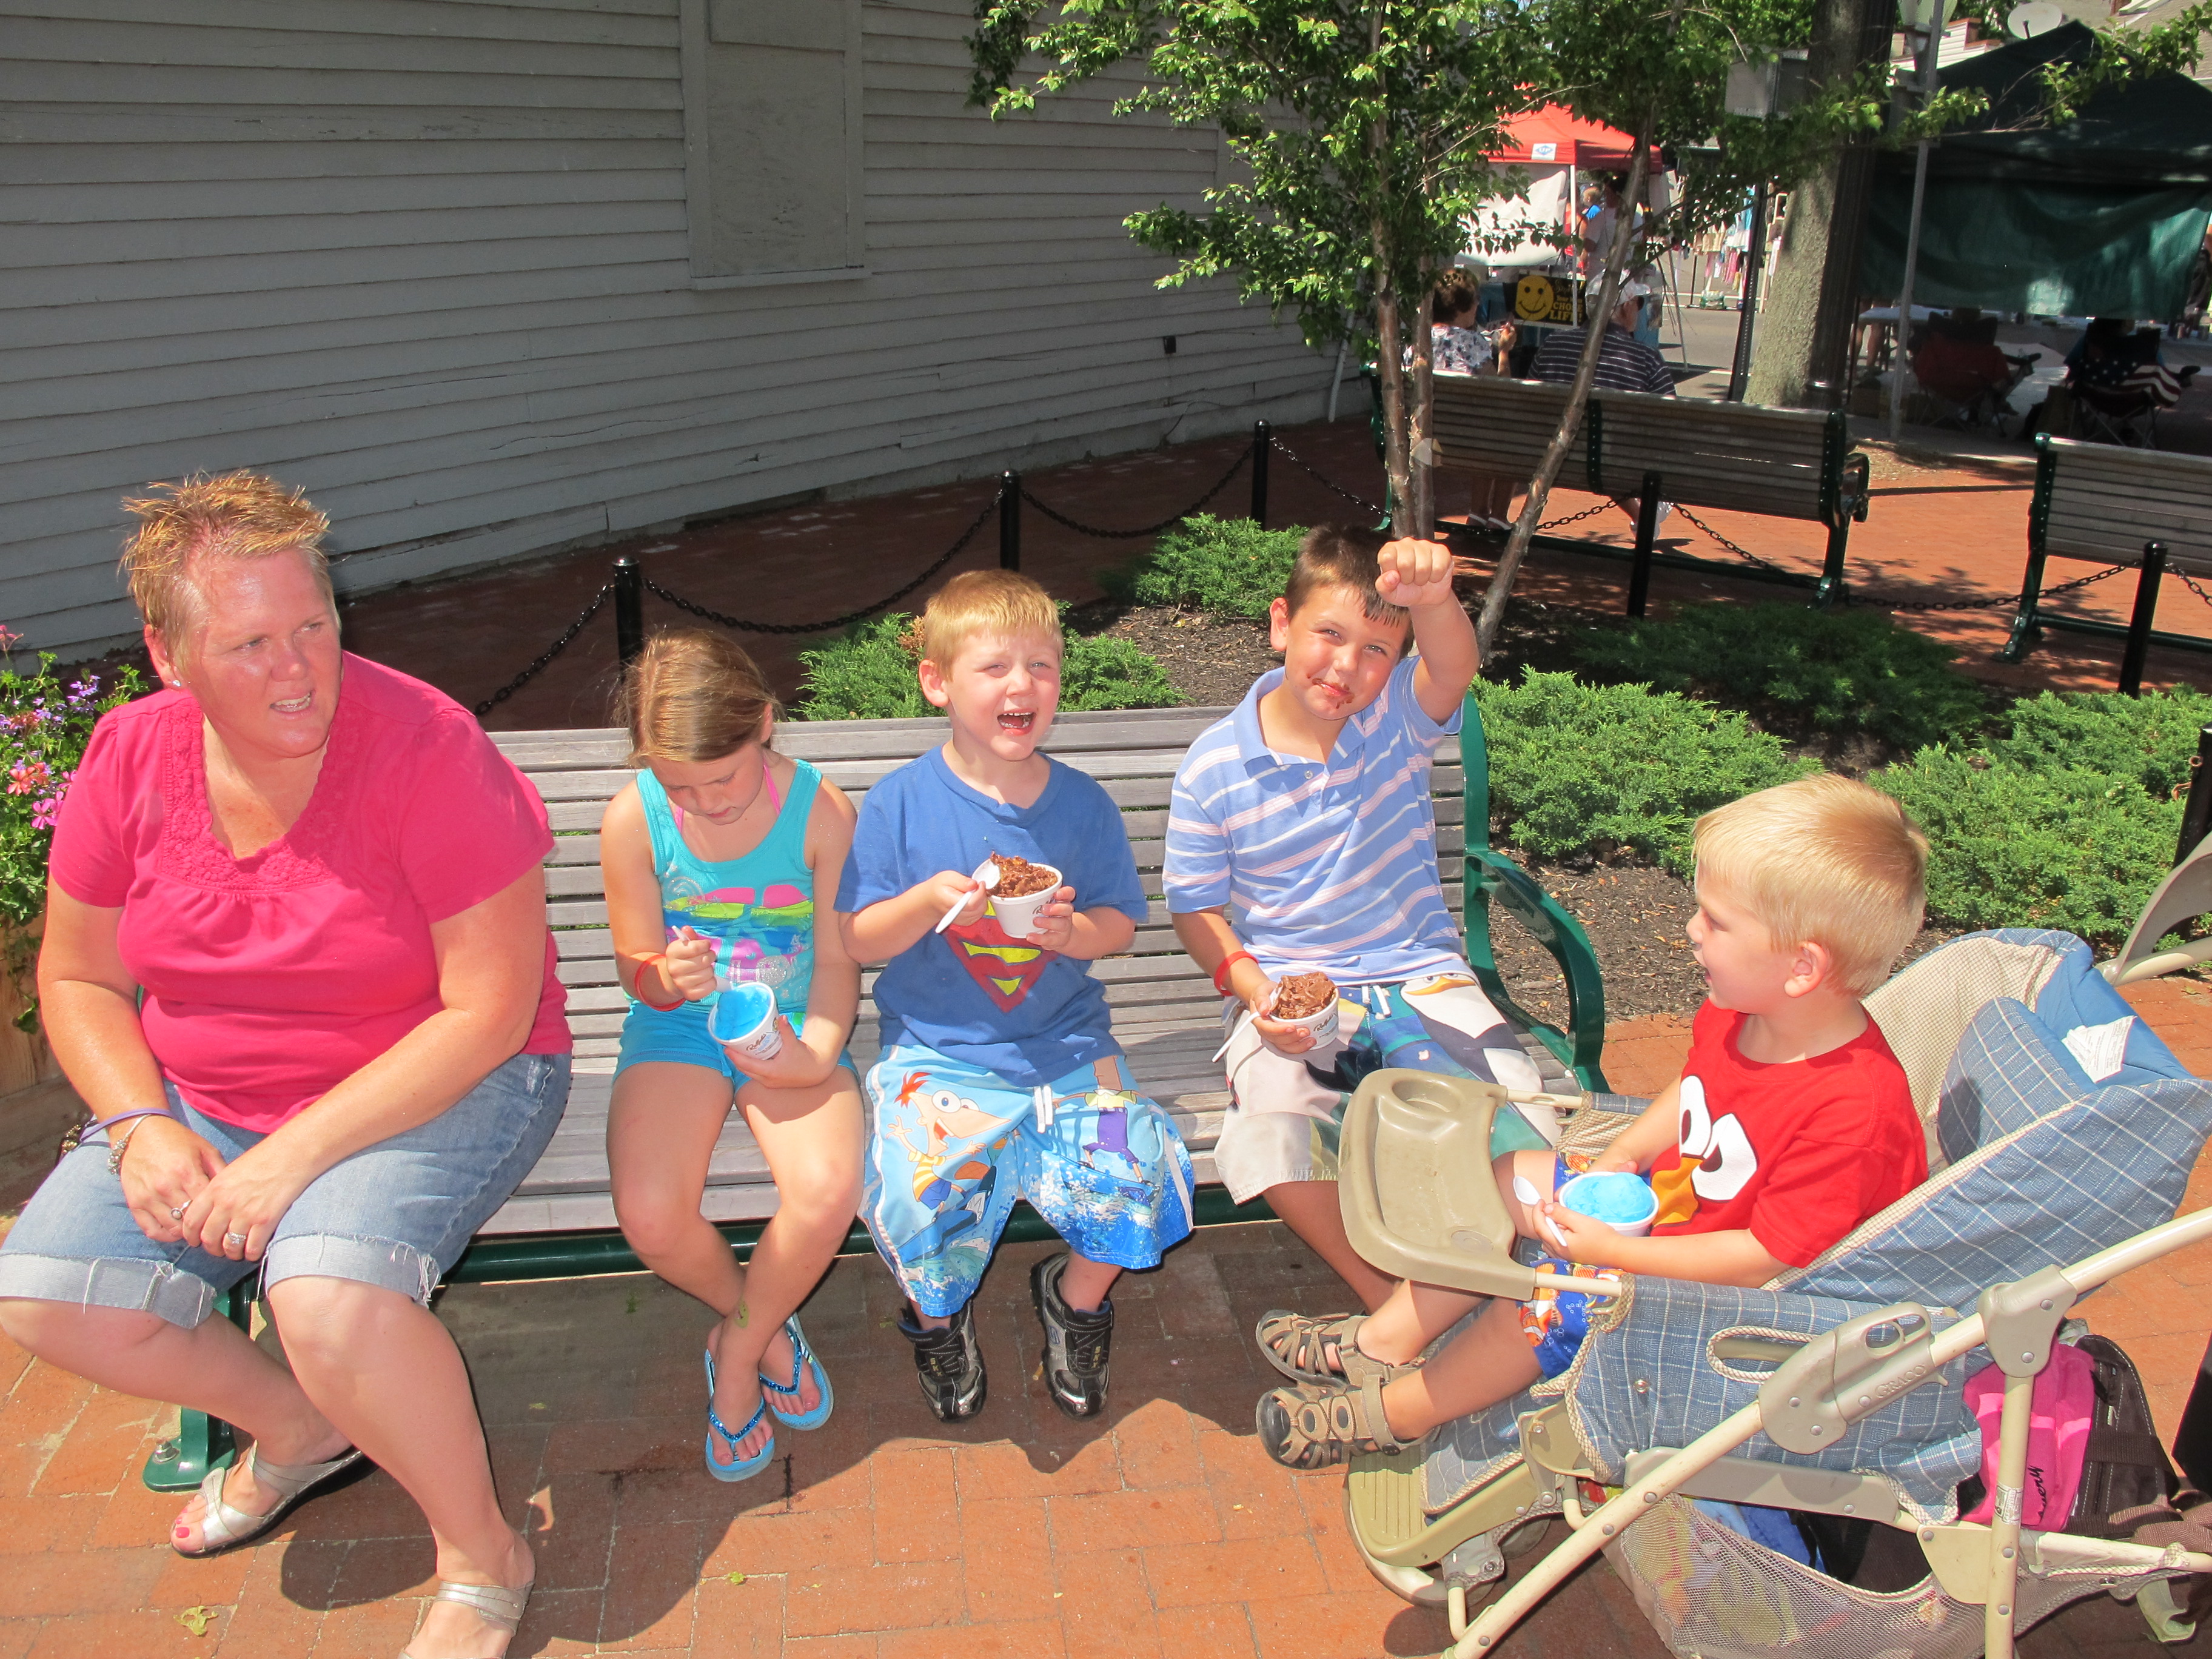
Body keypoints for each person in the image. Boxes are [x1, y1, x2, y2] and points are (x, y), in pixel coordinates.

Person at [0, 472, 572, 1659]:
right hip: (206, 1099)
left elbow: (488, 1010)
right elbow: (80, 978)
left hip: (444, 1078)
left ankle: (485, 1553)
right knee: (46, 1292)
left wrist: (290, 1159)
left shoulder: (427, 746)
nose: (299, 667)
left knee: (326, 1297)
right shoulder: (130, 754)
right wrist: (141, 1124)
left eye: (313, 624)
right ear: (167, 655)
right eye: (249, 643)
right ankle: (307, 1428)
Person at [1250, 773, 1931, 1469]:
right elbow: (1695, 1090)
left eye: (1717, 922)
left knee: (1547, 1304)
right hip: (1663, 1211)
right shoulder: (1744, 1009)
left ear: (1802, 966)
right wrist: (1624, 1156)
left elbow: (1763, 1259)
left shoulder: (1854, 1112)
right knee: (1506, 1178)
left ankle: (1398, 1414)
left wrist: (1614, 1252)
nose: (1692, 930)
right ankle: (1386, 1342)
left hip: (1725, 1296)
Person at [1163, 527, 1552, 1324]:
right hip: (1294, 994)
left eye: (1377, 650)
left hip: (1423, 979)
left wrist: (1434, 598)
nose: (1347, 667)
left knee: (1517, 1120)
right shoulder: (1213, 767)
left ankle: (1509, 1291)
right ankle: (1393, 1308)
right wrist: (1253, 991)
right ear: (1282, 625)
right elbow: (1195, 908)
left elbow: (1454, 664)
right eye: (1329, 635)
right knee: (1271, 1134)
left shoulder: (1394, 724)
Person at [836, 571, 1194, 1422]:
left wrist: (1073, 934)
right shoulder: (899, 805)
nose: (1021, 686)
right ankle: (939, 1320)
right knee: (915, 1193)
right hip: (940, 1055)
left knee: (1136, 1171)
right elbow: (857, 938)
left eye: (1041, 665)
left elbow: (1119, 923)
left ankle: (1073, 1300)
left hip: (1069, 1048)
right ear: (937, 683)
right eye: (994, 667)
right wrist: (924, 904)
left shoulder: (1083, 806)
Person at [600, 629, 863, 1482]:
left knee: (827, 1191)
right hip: (679, 1029)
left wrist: (817, 1053)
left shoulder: (821, 813)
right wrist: (662, 977)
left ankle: (740, 1353)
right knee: (650, 1214)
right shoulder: (634, 817)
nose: (705, 803)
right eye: (681, 786)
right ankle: (765, 1326)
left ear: (765, 725)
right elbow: (635, 967)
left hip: (789, 1020)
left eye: (723, 778)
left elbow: (837, 964)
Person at [1428, 270, 1520, 533]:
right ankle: (1498, 516)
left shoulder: (1417, 341)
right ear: (1461, 307)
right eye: (1475, 299)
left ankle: (1478, 512)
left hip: (1426, 439)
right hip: (1470, 442)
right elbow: (1501, 392)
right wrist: (1504, 352)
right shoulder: (1474, 343)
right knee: (1509, 432)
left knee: (1488, 428)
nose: (1479, 304)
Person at [1530, 279, 1675, 396]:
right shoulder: (1646, 358)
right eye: (1638, 303)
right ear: (1626, 307)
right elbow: (1670, 411)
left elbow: (1531, 394)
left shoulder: (1552, 344)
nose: (1638, 309)